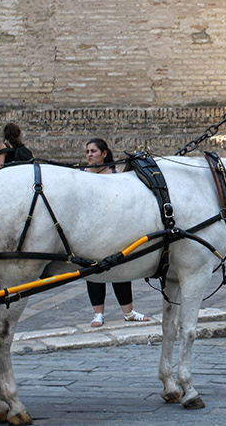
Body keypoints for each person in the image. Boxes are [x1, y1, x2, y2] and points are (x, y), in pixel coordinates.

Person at [84, 138, 149, 327]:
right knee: (92, 270)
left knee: (120, 269)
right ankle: (98, 314)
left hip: (114, 228)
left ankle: (128, 312)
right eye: (87, 151)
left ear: (104, 154)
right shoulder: (81, 174)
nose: (89, 155)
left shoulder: (117, 173)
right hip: (91, 230)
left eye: (93, 151)